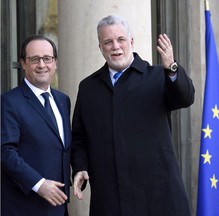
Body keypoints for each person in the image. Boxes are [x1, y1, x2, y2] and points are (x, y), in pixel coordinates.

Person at [71, 15, 194, 216]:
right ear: (100, 47)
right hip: (110, 197)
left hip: (157, 194)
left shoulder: (157, 75)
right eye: (108, 42)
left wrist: (171, 67)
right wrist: (80, 167)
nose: (115, 46)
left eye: (120, 39)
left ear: (132, 42)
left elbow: (185, 98)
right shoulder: (88, 87)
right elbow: (79, 136)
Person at [1, 35, 71, 216]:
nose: (42, 65)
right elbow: (5, 151)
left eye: (47, 59)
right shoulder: (9, 102)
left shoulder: (63, 100)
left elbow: (62, 147)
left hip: (58, 205)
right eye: (34, 59)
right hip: (24, 206)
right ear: (23, 64)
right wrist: (38, 184)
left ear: (55, 63)